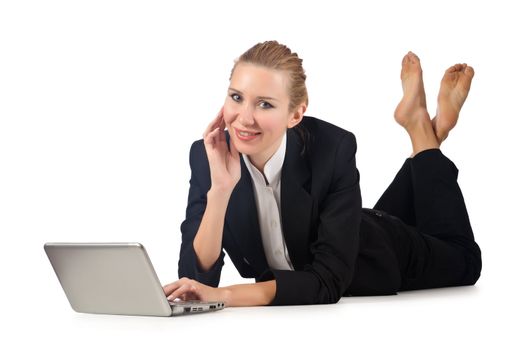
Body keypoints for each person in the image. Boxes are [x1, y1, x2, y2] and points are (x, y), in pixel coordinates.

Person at [163, 41, 482, 307]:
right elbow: (195, 281)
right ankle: (427, 132)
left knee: (465, 260)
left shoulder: (333, 148)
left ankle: (421, 133)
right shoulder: (209, 155)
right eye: (236, 97)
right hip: (347, 224)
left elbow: (327, 281)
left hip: (376, 254)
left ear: (296, 113)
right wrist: (220, 190)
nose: (244, 118)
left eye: (264, 104)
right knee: (378, 214)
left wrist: (225, 296)